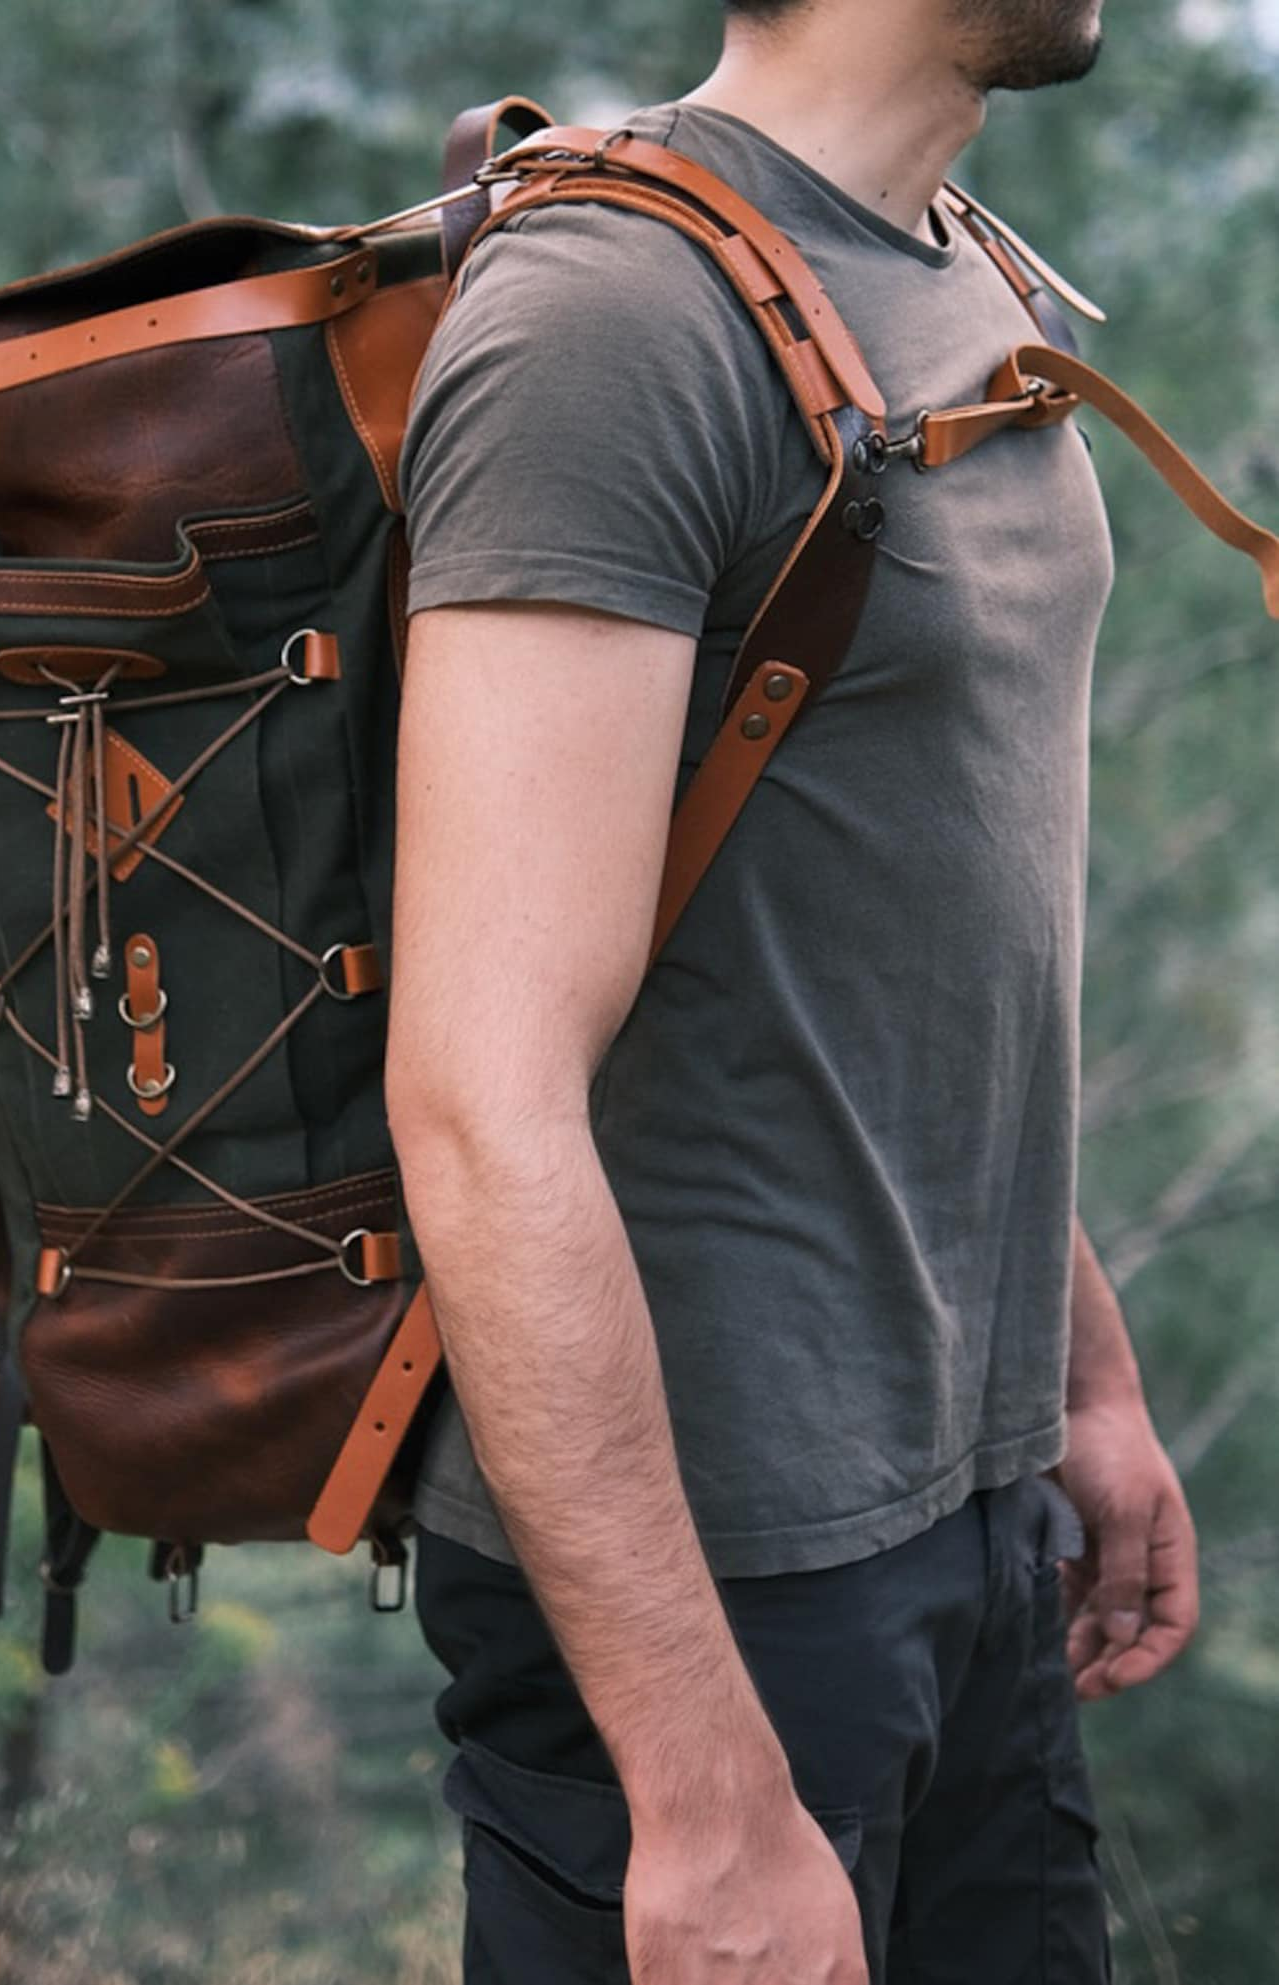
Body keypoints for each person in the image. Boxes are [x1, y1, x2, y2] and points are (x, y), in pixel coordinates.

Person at [384, 0, 1200, 1978]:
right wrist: (697, 1783)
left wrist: (1069, 1372)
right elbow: (478, 1094)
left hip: (968, 1509)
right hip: (710, 1578)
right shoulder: (615, 322)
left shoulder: (956, 268)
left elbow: (904, 925)